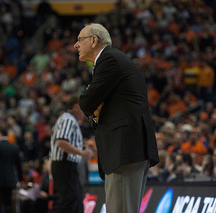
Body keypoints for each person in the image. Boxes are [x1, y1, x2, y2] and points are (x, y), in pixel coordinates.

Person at [75, 23, 159, 212]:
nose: (75, 45)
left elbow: (86, 103)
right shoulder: (112, 60)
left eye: (80, 40)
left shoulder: (109, 59)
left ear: (94, 40)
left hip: (125, 150)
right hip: (129, 150)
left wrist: (92, 102)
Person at [49, 94, 93, 213]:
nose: (84, 111)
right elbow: (62, 142)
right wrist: (82, 153)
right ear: (76, 107)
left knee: (77, 204)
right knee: (68, 203)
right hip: (64, 164)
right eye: (82, 107)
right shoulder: (68, 119)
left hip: (67, 165)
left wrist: (82, 146)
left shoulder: (69, 120)